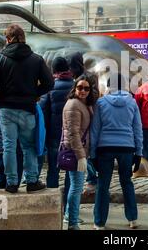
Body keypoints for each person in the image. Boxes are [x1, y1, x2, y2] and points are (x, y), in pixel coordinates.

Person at [0, 24, 54, 193]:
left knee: (8, 145)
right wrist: (34, 94)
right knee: (28, 145)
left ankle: (12, 182)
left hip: (6, 109)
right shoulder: (36, 59)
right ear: (24, 38)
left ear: (7, 39)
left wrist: (1, 98)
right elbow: (49, 83)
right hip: (27, 108)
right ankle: (31, 181)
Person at [90, 73, 143, 230]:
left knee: (103, 184)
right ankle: (132, 218)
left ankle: (99, 222)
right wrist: (139, 152)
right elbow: (137, 129)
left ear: (108, 86)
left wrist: (92, 154)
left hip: (104, 147)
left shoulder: (100, 102)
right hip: (127, 147)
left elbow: (95, 129)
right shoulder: (132, 103)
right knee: (126, 182)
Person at [62, 74, 95, 230]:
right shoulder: (74, 105)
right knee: (76, 187)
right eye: (80, 87)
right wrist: (81, 157)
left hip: (80, 150)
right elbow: (73, 133)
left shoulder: (82, 103)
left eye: (86, 88)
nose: (83, 91)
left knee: (75, 186)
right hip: (75, 151)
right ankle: (72, 222)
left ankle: (70, 215)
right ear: (74, 88)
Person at [38, 57, 74, 188]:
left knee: (53, 168)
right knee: (71, 170)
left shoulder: (49, 88)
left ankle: (53, 196)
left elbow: (43, 112)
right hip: (72, 135)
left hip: (54, 134)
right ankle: (68, 203)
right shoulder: (76, 86)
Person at [69, 52, 99, 196]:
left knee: (86, 151)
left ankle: (92, 179)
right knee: (85, 150)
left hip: (86, 116)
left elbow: (94, 96)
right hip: (83, 116)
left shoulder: (84, 78)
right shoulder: (83, 77)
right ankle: (92, 179)